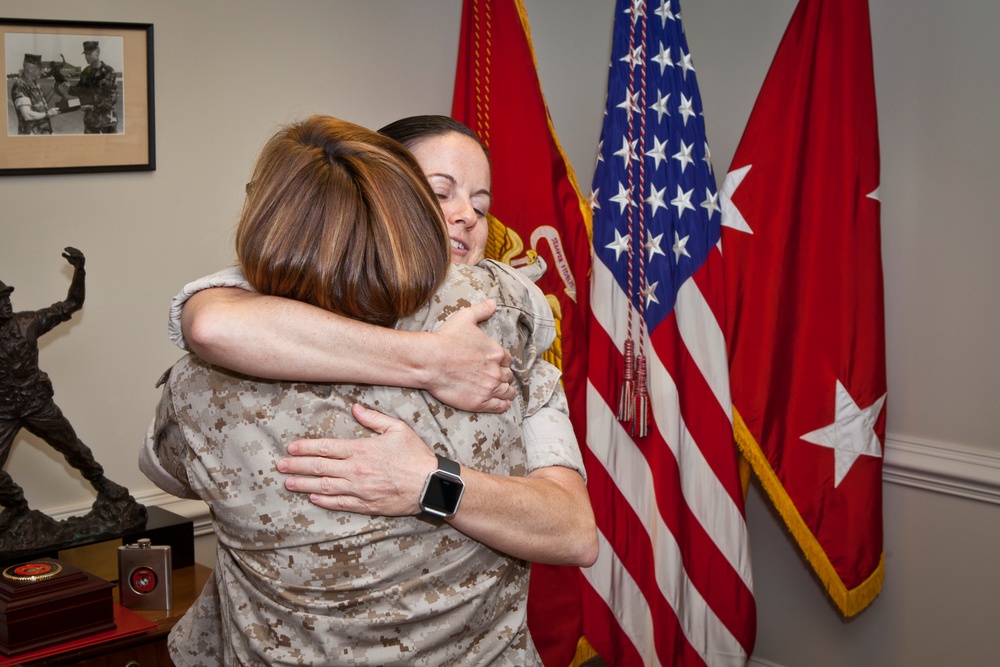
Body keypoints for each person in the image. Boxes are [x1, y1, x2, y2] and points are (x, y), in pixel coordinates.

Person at [141, 115, 596, 666]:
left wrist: (429, 483)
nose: (465, 217)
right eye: (438, 193)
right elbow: (214, 322)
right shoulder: (501, 335)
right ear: (386, 202)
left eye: (480, 204)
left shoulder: (497, 349)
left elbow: (574, 532)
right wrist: (427, 360)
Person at [0, 248, 131, 531]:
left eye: (7, 297)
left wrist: (79, 270)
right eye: (0, 301)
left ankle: (102, 483)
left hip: (37, 405)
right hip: (4, 411)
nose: (6, 304)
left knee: (73, 447)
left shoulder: (28, 323)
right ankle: (16, 506)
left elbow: (72, 303)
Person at [57, 41, 118, 134]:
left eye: (89, 54)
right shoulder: (86, 72)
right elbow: (80, 89)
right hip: (91, 122)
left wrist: (92, 106)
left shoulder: (108, 72)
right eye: (85, 54)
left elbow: (112, 98)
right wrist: (69, 87)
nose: (86, 57)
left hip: (107, 122)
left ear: (97, 52)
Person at [9, 53, 61, 135]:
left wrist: (53, 90)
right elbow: (27, 115)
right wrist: (48, 114)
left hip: (44, 131)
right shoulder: (20, 85)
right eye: (40, 68)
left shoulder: (35, 83)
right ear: (31, 69)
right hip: (31, 134)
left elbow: (40, 104)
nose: (42, 71)